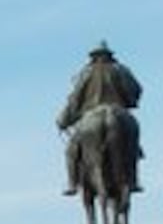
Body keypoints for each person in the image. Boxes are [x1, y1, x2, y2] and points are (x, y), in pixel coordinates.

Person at [58, 43, 143, 196]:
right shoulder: (121, 70)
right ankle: (133, 180)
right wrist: (129, 100)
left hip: (91, 116)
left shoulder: (85, 73)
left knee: (71, 150)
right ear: (110, 56)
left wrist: (63, 120)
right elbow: (137, 89)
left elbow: (75, 99)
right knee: (132, 144)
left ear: (92, 57)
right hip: (119, 111)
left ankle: (72, 184)